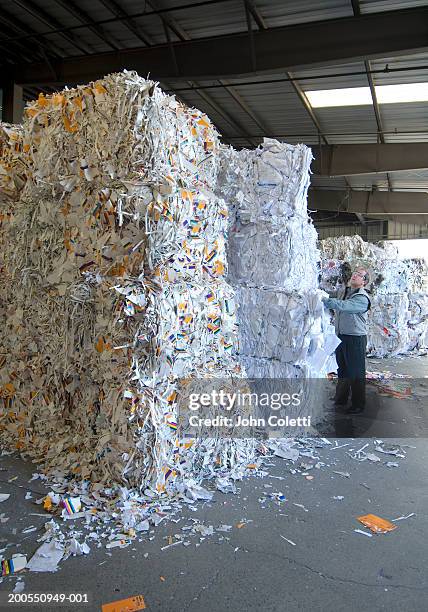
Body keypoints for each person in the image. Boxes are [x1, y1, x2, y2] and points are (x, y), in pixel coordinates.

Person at [323, 267, 371, 414]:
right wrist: (319, 294)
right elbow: (331, 296)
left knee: (355, 372)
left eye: (359, 275)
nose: (354, 276)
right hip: (341, 336)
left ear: (364, 282)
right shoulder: (344, 291)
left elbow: (344, 306)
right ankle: (341, 398)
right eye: (354, 273)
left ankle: (358, 404)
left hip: (355, 338)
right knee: (342, 369)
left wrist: (325, 301)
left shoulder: (362, 298)